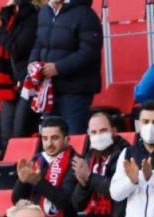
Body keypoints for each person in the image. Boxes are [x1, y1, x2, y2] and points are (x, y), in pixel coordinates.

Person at [28, 0, 103, 135]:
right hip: (49, 89)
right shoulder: (45, 12)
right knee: (51, 137)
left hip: (76, 90)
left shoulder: (85, 14)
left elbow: (89, 52)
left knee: (73, 137)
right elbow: (39, 43)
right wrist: (33, 62)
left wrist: (58, 68)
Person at [0, 0, 40, 147]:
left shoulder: (33, 15)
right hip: (9, 85)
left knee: (21, 132)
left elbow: (17, 49)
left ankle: (26, 168)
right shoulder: (8, 15)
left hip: (27, 83)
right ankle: (12, 169)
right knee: (6, 135)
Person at [12, 116, 79, 217]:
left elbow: (65, 200)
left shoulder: (75, 161)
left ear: (66, 139)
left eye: (55, 138)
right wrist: (21, 182)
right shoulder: (38, 159)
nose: (49, 144)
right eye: (45, 139)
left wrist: (38, 182)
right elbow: (16, 201)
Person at [70, 112, 130, 217]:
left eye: (103, 131)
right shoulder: (88, 157)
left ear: (113, 131)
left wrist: (90, 177)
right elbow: (77, 204)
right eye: (94, 132)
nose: (98, 136)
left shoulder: (127, 153)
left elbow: (117, 190)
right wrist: (83, 185)